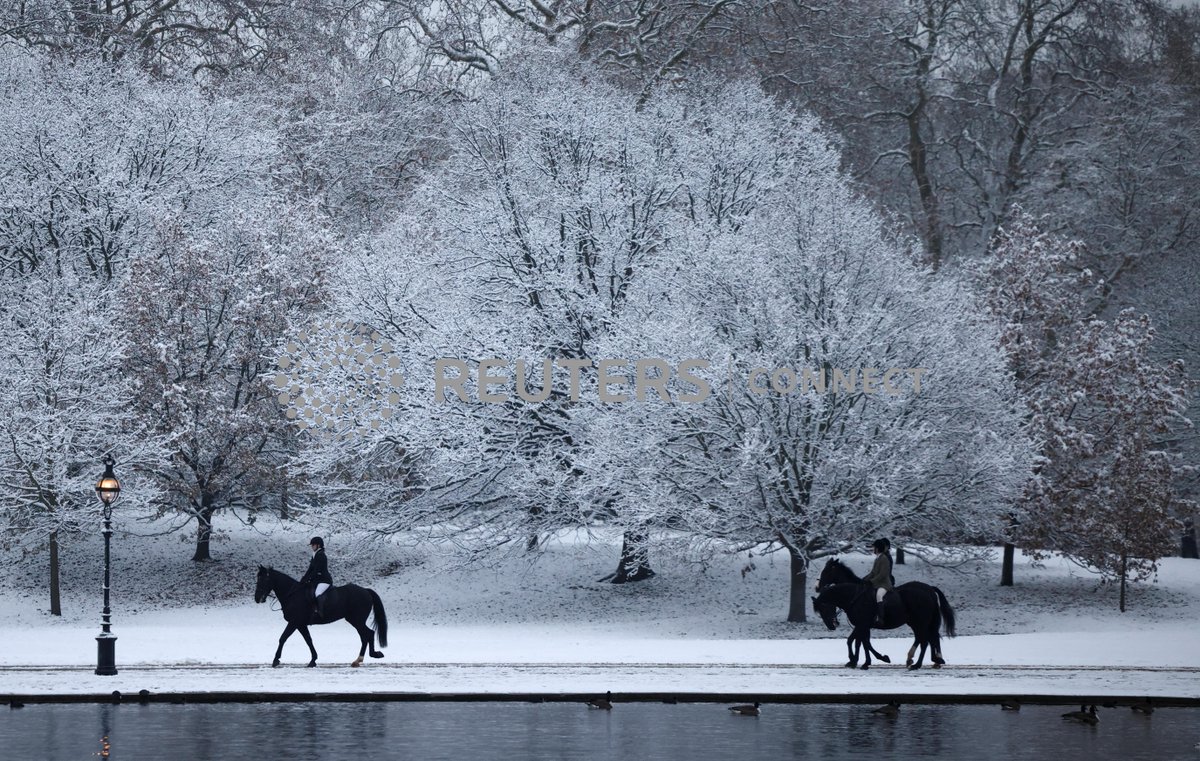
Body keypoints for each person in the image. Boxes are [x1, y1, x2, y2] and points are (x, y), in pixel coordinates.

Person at [300, 536, 333, 619]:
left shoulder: (321, 555)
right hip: (318, 580)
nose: (312, 547)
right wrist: (304, 578)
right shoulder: (315, 555)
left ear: (318, 545)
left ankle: (320, 611)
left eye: (313, 545)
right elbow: (310, 569)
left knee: (317, 593)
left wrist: (309, 578)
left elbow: (316, 570)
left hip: (324, 580)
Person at [864, 538, 894, 626]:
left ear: (877, 548)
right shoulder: (877, 558)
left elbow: (883, 574)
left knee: (879, 595)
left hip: (884, 584)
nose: (873, 549)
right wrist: (864, 580)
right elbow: (873, 572)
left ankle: (880, 618)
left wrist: (871, 581)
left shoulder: (884, 559)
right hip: (877, 583)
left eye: (874, 548)